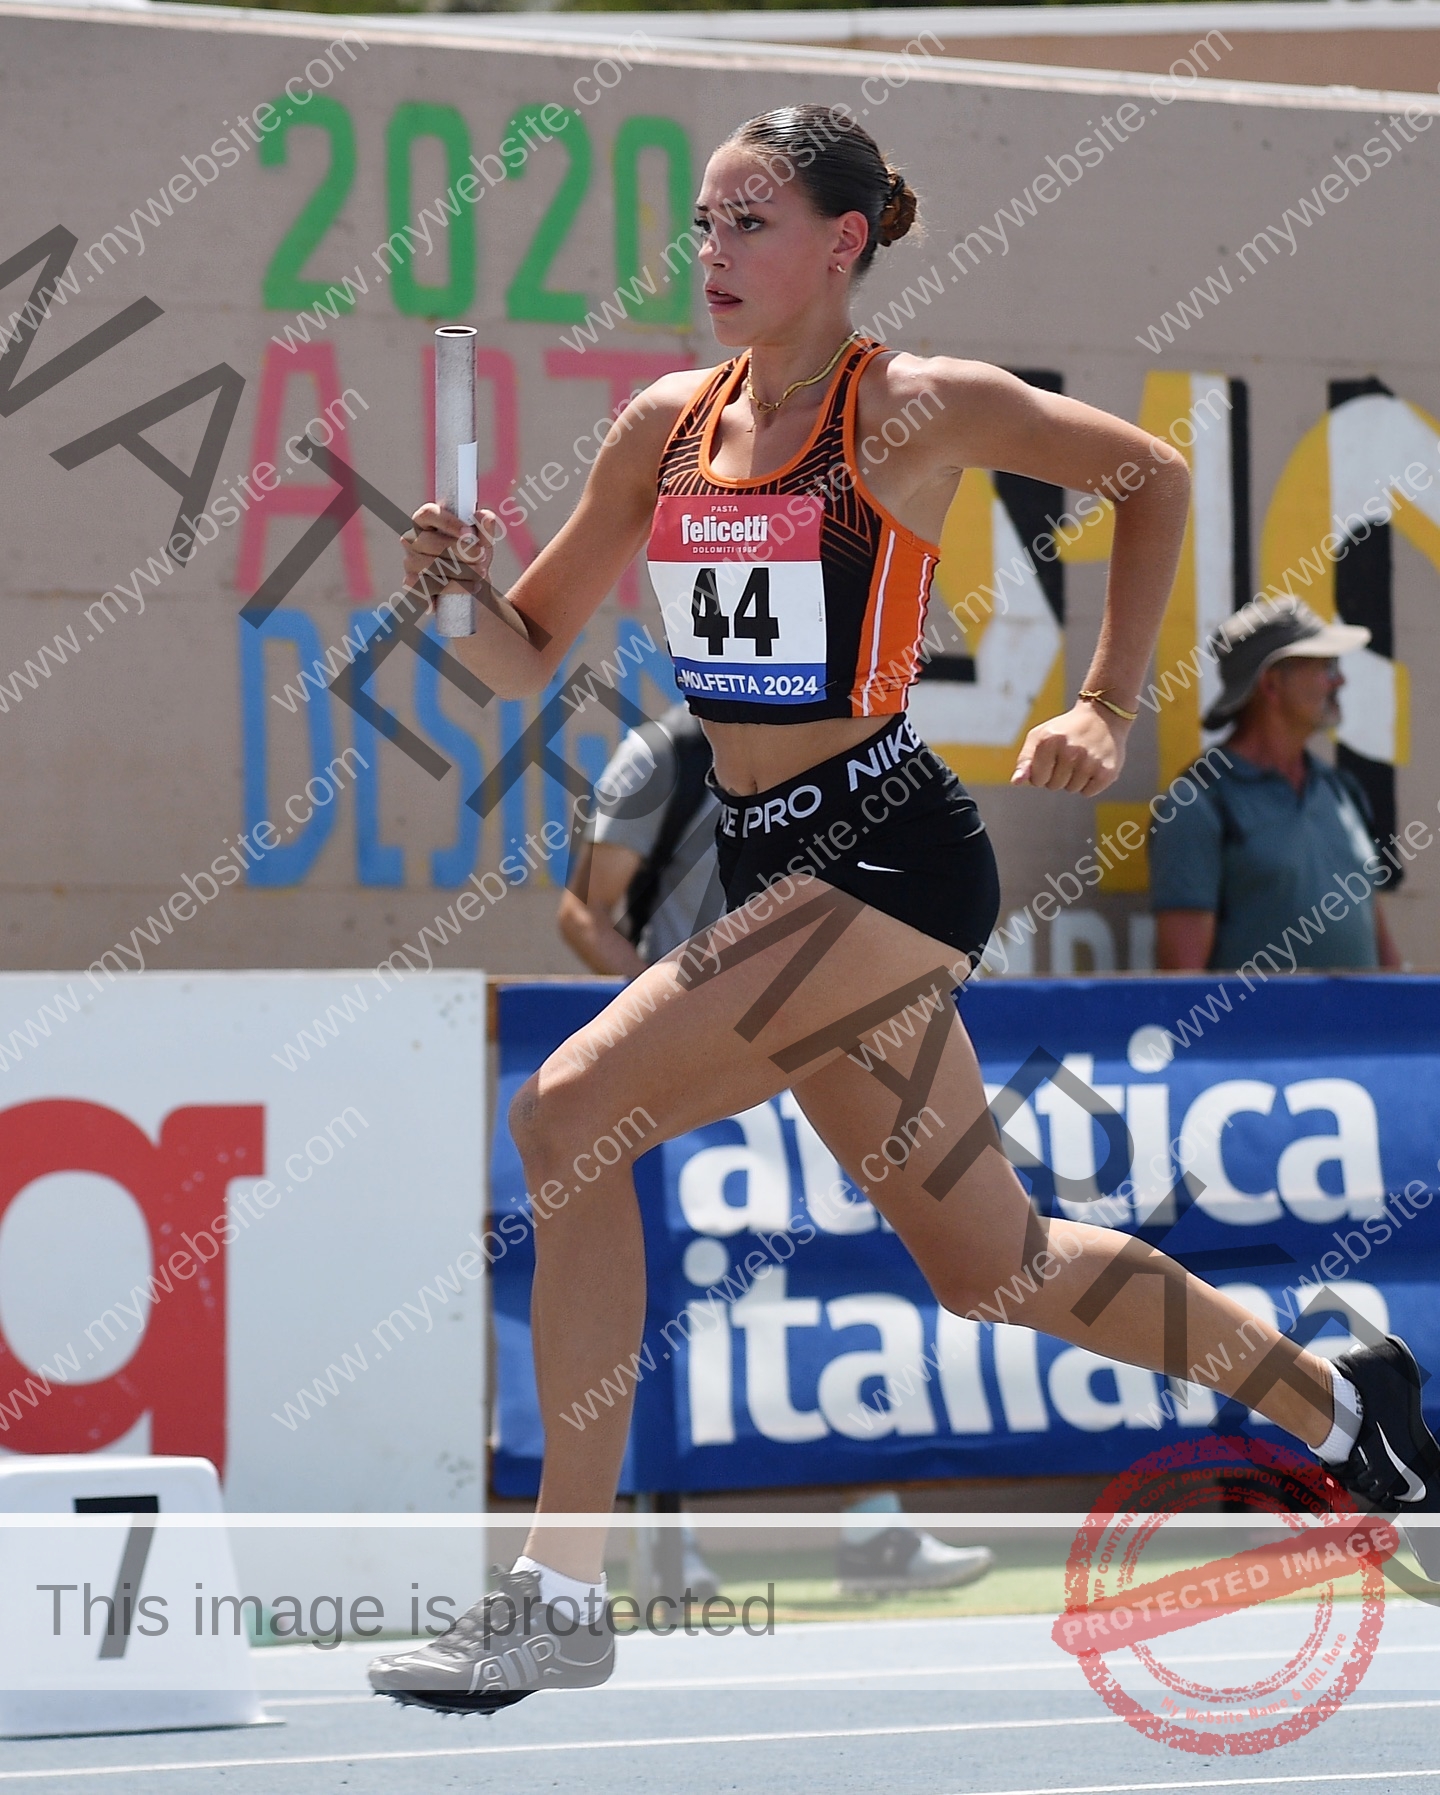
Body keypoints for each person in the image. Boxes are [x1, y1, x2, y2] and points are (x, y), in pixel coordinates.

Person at [370, 106, 1440, 1714]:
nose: (712, 251)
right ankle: (1349, 1408)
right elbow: (525, 650)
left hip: (884, 851)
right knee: (991, 1261)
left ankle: (553, 1592)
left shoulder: (915, 406)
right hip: (768, 863)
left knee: (569, 1107)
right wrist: (457, 591)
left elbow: (1145, 475)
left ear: (845, 241)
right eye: (707, 222)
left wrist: (1097, 699)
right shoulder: (666, 423)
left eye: (750, 221)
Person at [1152, 595, 1402, 972]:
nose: (1340, 679)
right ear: (1271, 685)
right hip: (1258, 1034)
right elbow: (1182, 984)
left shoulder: (1341, 791)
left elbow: (1379, 945)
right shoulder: (1196, 805)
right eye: (1326, 666)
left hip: (1359, 1033)